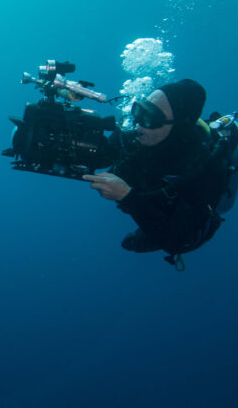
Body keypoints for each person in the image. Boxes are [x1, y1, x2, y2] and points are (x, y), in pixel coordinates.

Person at [82, 79, 228, 269]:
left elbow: (180, 242)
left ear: (178, 126)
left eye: (152, 117)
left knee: (147, 242)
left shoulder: (203, 167)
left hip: (177, 218)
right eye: (140, 111)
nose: (139, 124)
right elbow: (101, 156)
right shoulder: (138, 132)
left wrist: (127, 197)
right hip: (148, 192)